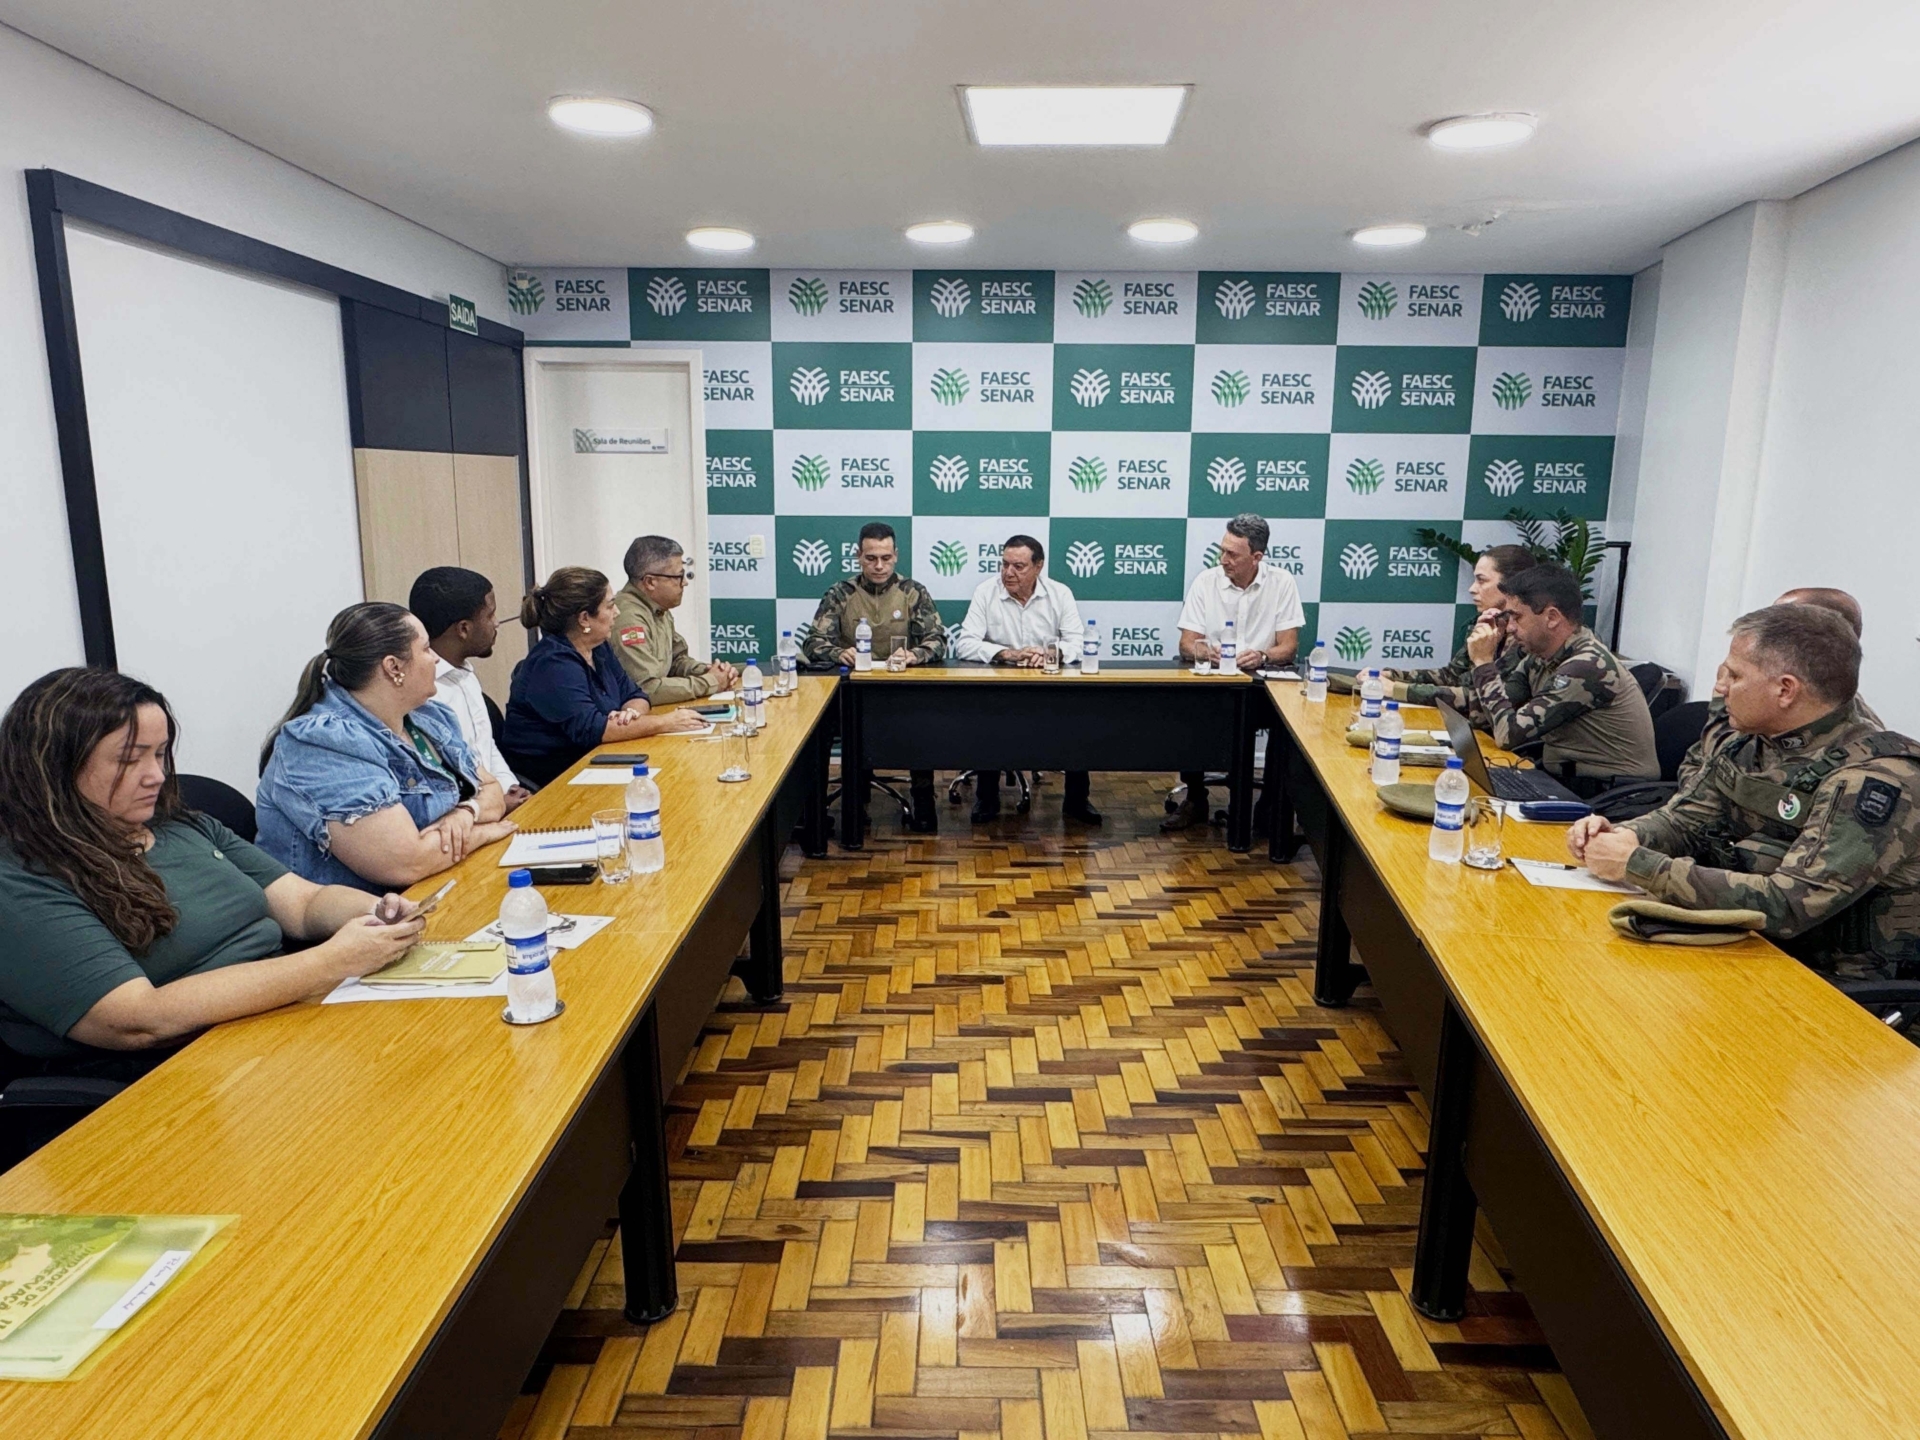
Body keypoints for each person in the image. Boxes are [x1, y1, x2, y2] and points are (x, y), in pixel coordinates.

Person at [0, 669, 425, 1075]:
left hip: (276, 1023)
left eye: (161, 753)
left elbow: (302, 902)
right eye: (130, 760)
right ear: (55, 767)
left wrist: (376, 911)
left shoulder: (180, 824)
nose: (157, 776)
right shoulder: (23, 876)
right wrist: (331, 961)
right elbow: (136, 1020)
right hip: (170, 1077)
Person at [1570, 605, 1920, 980]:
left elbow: (1789, 905)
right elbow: (1685, 818)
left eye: (1735, 676)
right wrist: (1626, 835)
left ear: (1785, 689)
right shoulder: (1751, 742)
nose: (1720, 688)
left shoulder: (1874, 779)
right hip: (1752, 951)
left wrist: (1641, 864)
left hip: (1840, 989)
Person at [258, 602, 517, 891]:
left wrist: (466, 813)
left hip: (444, 883)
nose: (436, 660)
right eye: (426, 649)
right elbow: (406, 862)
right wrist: (482, 832)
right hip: (364, 919)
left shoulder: (428, 715)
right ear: (394, 667)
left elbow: (493, 791)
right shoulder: (323, 743)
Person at [800, 522, 948, 832]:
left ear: (896, 556)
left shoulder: (913, 592)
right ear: (858, 556)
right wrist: (837, 653)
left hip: (900, 693)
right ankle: (822, 810)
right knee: (819, 728)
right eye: (870, 558)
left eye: (885, 558)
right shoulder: (841, 593)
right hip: (850, 694)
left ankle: (923, 802)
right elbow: (814, 642)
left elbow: (937, 639)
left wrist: (914, 655)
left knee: (924, 724)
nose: (878, 566)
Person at [502, 566, 707, 786]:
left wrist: (630, 715)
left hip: (601, 761)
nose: (617, 612)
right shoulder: (552, 663)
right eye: (610, 606)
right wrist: (665, 722)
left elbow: (635, 693)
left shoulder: (598, 647)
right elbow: (591, 729)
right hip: (555, 780)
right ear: (584, 619)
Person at [1163, 513, 1304, 832]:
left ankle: (1269, 809)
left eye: (1232, 554)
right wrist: (1204, 651)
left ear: (1257, 557)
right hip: (1214, 681)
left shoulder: (1282, 583)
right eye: (1222, 550)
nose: (1223, 559)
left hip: (1261, 684)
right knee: (1189, 712)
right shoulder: (1206, 581)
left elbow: (1289, 647)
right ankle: (1195, 799)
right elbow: (1186, 643)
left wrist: (1264, 654)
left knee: (1285, 727)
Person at [1466, 562, 1659, 792]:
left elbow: (1508, 735)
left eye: (1517, 617)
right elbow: (1482, 718)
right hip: (1565, 782)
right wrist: (1486, 660)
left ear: (1552, 617)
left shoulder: (1587, 666)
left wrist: (1483, 663)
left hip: (1612, 794)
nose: (1510, 628)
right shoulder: (1538, 657)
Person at [953, 535, 1100, 825]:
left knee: (1079, 717)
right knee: (987, 716)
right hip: (999, 687)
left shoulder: (1059, 594)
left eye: (1018, 566)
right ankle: (987, 797)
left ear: (1038, 566)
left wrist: (1050, 653)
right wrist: (1007, 653)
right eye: (1005, 564)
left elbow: (1080, 644)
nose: (1008, 572)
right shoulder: (986, 592)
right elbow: (964, 644)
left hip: (1050, 686)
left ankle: (1077, 800)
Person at [1676, 586, 1881, 789]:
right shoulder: (1752, 698)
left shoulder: (1858, 749)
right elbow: (1700, 760)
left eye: (1782, 622)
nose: (1723, 686)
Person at [408, 566, 531, 813]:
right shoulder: (423, 694)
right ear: (464, 629)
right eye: (490, 615)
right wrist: (493, 802)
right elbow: (444, 777)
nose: (497, 623)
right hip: (465, 816)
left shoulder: (465, 674)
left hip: (495, 804)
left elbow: (484, 745)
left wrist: (509, 786)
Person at [1385, 544, 1537, 714]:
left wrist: (1396, 690)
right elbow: (1451, 676)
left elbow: (1476, 701)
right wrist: (1390, 676)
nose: (1472, 589)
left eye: (1482, 580)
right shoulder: (1491, 623)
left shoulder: (1529, 638)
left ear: (1511, 585)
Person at [611, 535, 739, 704]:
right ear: (650, 582)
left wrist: (710, 671)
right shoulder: (629, 618)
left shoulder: (657, 607)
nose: (685, 583)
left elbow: (676, 662)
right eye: (679, 577)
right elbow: (647, 688)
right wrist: (710, 682)